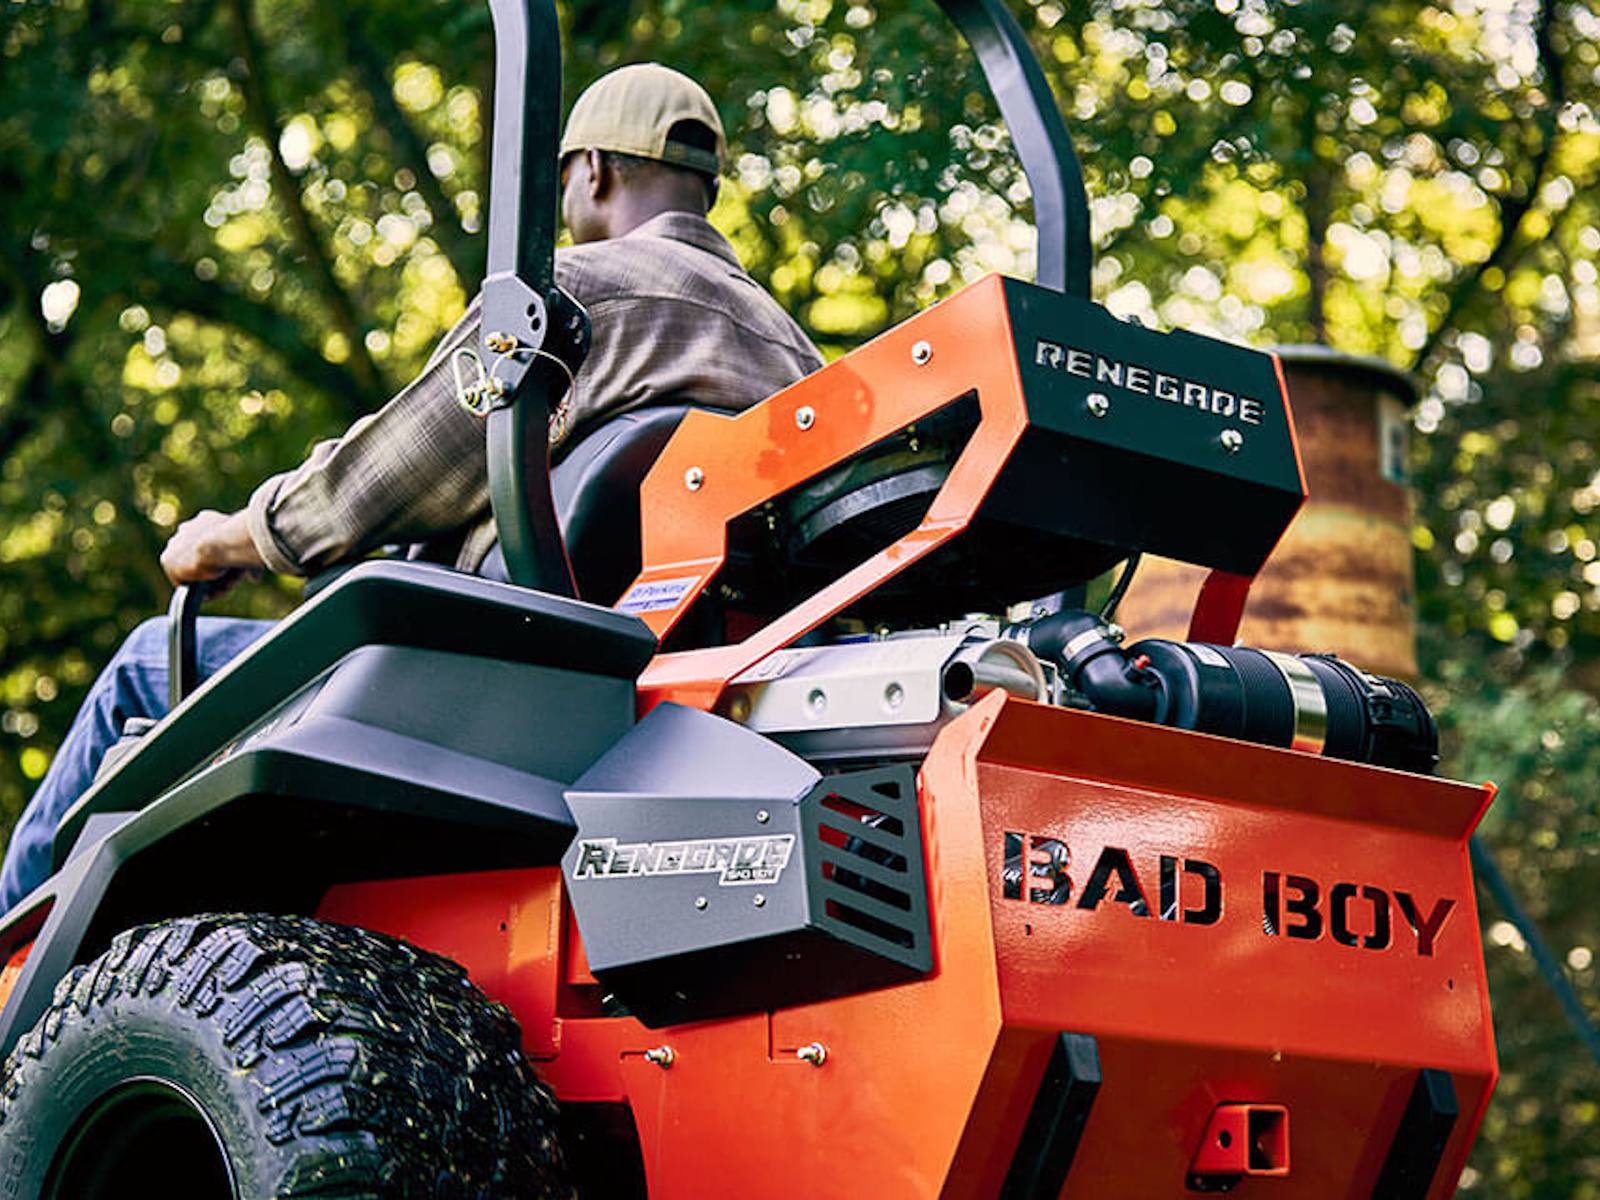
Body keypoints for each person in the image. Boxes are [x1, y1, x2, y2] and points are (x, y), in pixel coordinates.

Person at [0, 63, 823, 912]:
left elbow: (374, 480)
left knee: (144, 665)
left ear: (591, 171)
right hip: (658, 705)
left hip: (476, 682)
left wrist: (231, 535)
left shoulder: (577, 296)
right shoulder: (797, 359)